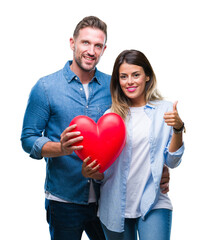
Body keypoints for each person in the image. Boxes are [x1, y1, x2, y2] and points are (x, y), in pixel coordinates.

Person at [21, 16, 170, 240]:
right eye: (85, 43)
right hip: (64, 199)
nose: (91, 51)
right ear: (73, 43)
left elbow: (141, 127)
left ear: (104, 49)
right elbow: (28, 138)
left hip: (108, 201)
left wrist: (159, 166)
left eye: (98, 45)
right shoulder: (45, 88)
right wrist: (61, 148)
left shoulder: (115, 88)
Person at [82, 50, 185, 240]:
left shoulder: (165, 110)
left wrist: (178, 129)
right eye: (123, 76)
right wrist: (91, 173)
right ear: (117, 81)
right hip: (115, 206)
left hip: (154, 201)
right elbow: (103, 171)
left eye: (135, 75)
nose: (129, 81)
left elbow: (172, 161)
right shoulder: (110, 116)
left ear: (147, 76)